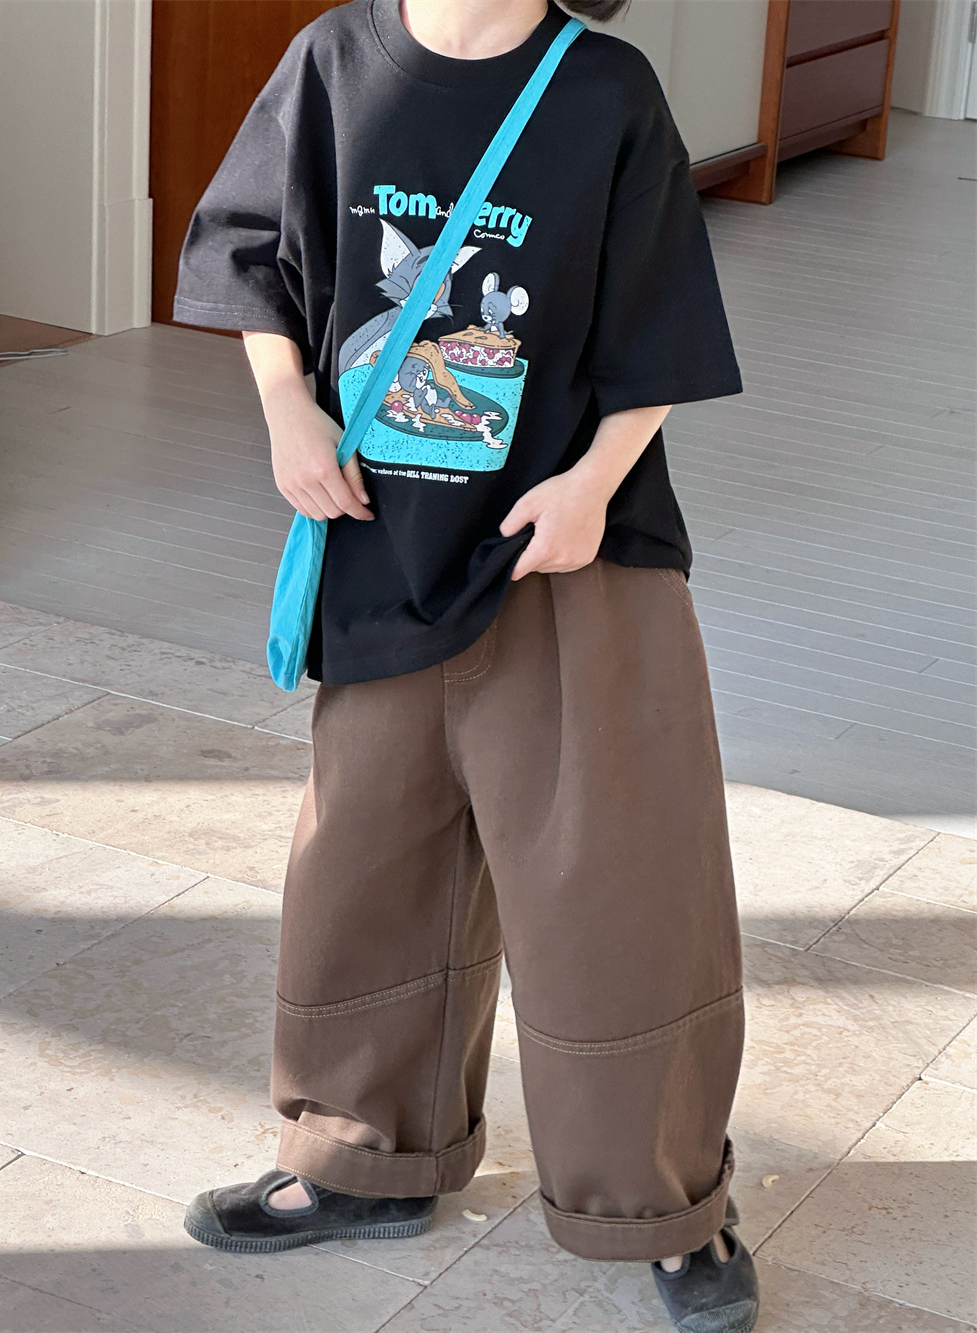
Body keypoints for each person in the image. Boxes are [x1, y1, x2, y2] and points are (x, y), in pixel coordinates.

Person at [172, 0, 758, 1327]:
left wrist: (593, 487)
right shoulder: (333, 63)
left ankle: (664, 1206)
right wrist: (287, 411)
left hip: (569, 555)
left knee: (619, 893)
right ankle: (362, 1159)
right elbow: (251, 250)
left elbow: (660, 322)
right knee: (366, 866)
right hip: (383, 544)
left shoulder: (606, 92)